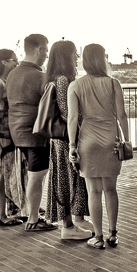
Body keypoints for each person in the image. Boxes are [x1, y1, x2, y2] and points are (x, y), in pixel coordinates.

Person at [68, 43, 129, 249]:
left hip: (88, 141)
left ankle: (98, 237)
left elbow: (73, 118)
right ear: (102, 59)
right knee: (111, 189)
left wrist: (72, 145)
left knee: (94, 191)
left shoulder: (75, 85)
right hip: (111, 139)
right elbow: (121, 115)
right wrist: (126, 140)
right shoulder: (114, 84)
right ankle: (113, 234)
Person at [6, 34, 56, 232]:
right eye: (46, 50)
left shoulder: (13, 73)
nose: (46, 55)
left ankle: (31, 212)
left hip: (17, 130)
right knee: (38, 175)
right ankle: (34, 219)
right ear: (39, 49)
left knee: (33, 174)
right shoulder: (38, 76)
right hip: (35, 132)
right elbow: (53, 103)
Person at [44, 40, 93, 241]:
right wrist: (85, 125)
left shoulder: (52, 78)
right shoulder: (63, 80)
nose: (77, 57)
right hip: (66, 138)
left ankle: (74, 220)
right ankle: (69, 225)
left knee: (65, 178)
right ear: (66, 56)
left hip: (58, 138)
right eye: (74, 53)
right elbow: (67, 112)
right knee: (67, 178)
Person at [0, 49, 24, 226]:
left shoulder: (5, 82)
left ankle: (8, 211)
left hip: (10, 135)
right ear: (4, 62)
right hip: (2, 136)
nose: (17, 63)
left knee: (9, 173)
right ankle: (0, 215)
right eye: (13, 60)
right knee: (2, 175)